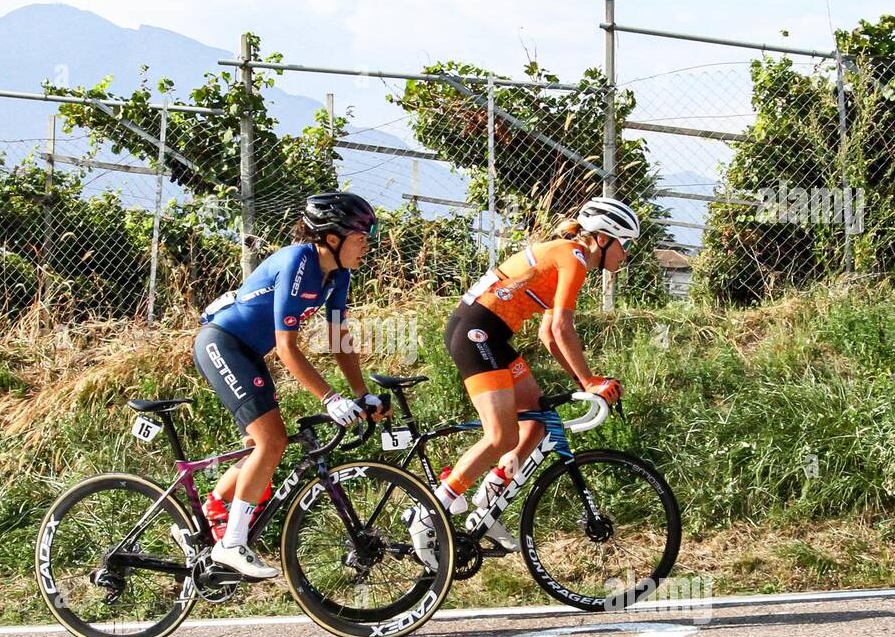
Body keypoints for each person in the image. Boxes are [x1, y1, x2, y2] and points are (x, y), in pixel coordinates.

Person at [192, 192, 385, 578]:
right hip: (222, 343)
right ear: (332, 237)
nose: (367, 244)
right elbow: (286, 347)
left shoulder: (338, 276)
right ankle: (232, 543)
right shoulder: (300, 261)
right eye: (360, 235)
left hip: (246, 352)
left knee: (263, 446)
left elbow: (339, 342)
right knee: (271, 441)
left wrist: (363, 394)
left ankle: (216, 506)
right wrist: (330, 398)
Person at [434, 197, 641, 540]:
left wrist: (581, 380)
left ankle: (488, 504)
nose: (628, 254)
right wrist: (589, 381)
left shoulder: (570, 257)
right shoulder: (573, 258)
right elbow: (562, 328)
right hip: (476, 333)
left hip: (490, 335)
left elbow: (548, 333)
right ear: (603, 239)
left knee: (536, 418)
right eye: (626, 243)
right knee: (502, 435)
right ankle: (436, 507)